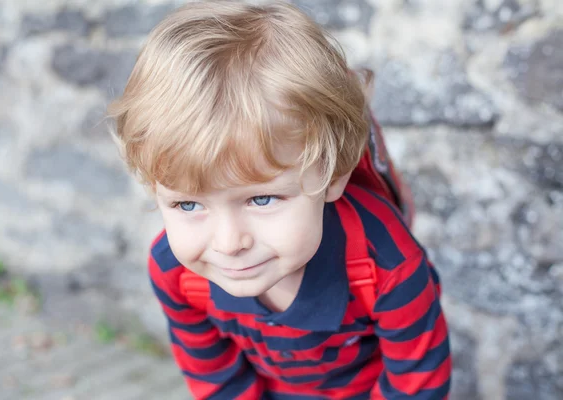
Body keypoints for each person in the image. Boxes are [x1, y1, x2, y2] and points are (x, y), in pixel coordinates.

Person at [108, 1, 451, 399]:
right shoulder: (177, 272)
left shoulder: (386, 263)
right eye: (188, 205)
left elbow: (416, 381)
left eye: (262, 199)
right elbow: (216, 376)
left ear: (331, 175)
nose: (228, 243)